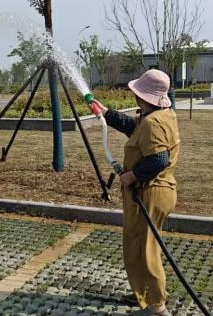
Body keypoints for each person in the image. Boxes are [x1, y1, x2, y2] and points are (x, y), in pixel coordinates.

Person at [89, 69, 179, 316]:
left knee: (146, 249)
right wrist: (106, 113)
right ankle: (145, 293)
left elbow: (159, 159)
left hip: (150, 192)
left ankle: (157, 306)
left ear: (143, 96)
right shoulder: (159, 115)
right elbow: (133, 128)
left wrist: (131, 176)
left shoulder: (152, 122)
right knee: (139, 244)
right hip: (154, 191)